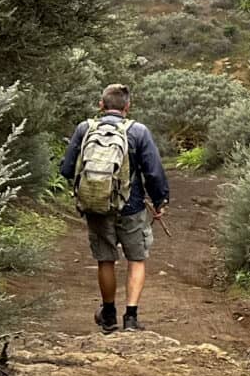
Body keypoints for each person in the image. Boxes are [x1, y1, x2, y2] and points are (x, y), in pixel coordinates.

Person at [61, 83, 169, 333]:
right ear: (127, 107)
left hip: (97, 206)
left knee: (105, 260)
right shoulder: (139, 131)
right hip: (131, 207)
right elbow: (153, 172)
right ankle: (130, 318)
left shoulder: (84, 129)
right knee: (137, 259)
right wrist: (160, 200)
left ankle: (108, 314)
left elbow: (67, 169)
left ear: (101, 105)